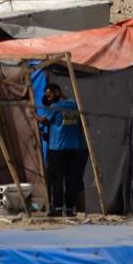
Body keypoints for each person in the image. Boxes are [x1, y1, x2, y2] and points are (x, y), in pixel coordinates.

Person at [40, 85, 88, 216]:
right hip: (73, 149)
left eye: (49, 95)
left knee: (57, 180)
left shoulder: (55, 107)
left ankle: (58, 208)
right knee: (71, 180)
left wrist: (31, 113)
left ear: (57, 92)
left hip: (57, 149)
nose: (49, 98)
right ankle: (70, 208)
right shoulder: (74, 105)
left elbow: (43, 120)